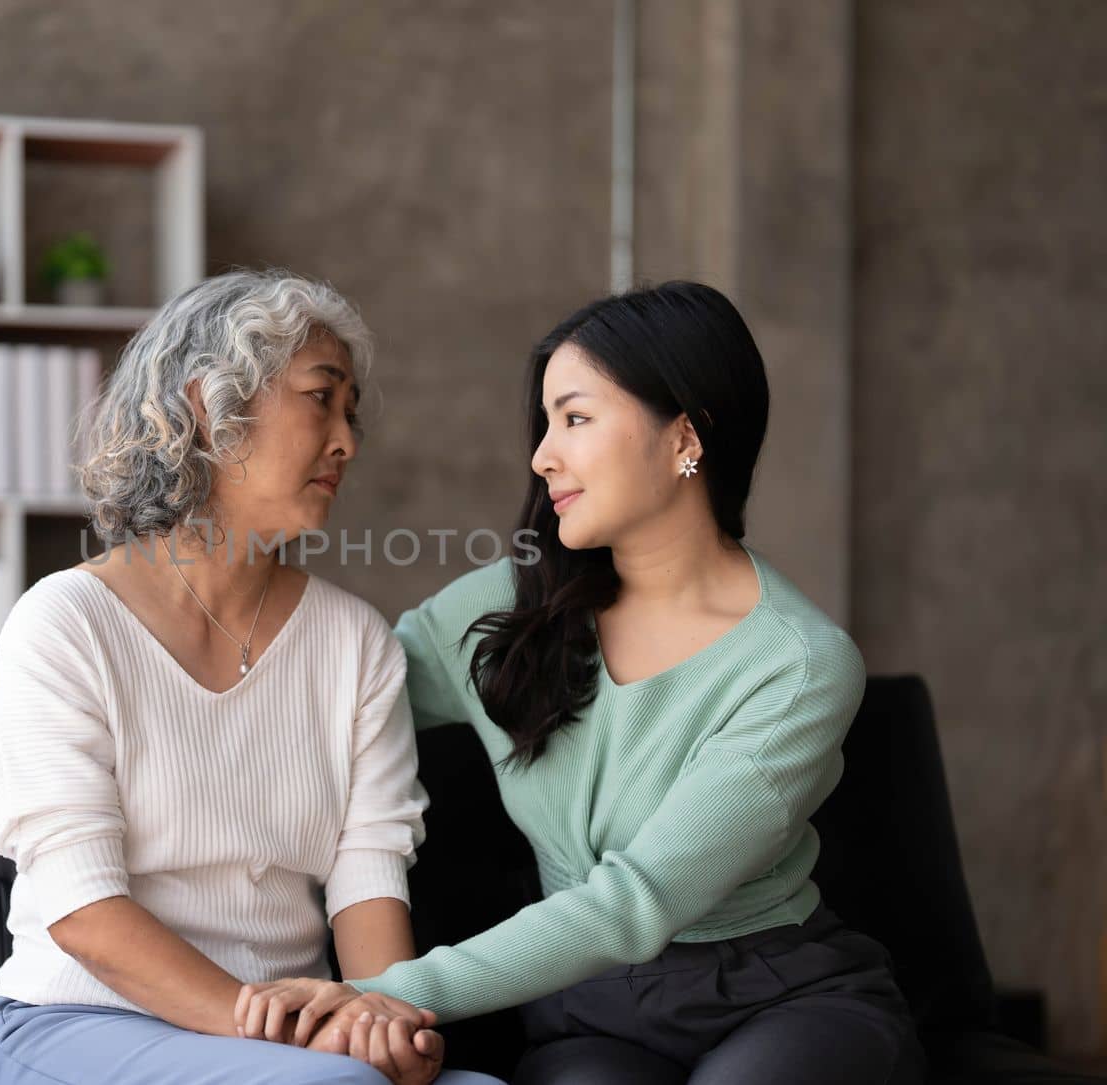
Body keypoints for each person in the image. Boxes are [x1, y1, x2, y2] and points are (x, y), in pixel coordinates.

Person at [234, 281, 928, 1084]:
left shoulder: (799, 663)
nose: (541, 456)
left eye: (575, 417)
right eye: (546, 423)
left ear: (684, 437)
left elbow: (638, 901)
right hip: (590, 1010)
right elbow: (324, 693)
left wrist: (381, 994)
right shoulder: (505, 608)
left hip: (777, 995)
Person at [0, 268, 503, 1085]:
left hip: (286, 1041)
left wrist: (377, 1020)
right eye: (321, 398)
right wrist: (297, 1038)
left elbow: (367, 878)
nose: (347, 441)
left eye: (352, 412)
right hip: (75, 1024)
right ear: (209, 410)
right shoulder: (66, 623)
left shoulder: (355, 644)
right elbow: (85, 913)